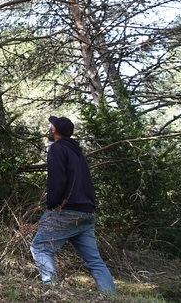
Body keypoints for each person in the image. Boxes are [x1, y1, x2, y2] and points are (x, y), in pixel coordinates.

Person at [30, 115, 116, 293]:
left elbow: (57, 180)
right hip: (86, 212)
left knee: (39, 246)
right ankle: (110, 296)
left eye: (50, 126)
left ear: (54, 130)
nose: (49, 128)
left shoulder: (57, 149)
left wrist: (52, 204)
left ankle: (52, 291)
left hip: (67, 210)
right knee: (94, 260)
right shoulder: (77, 152)